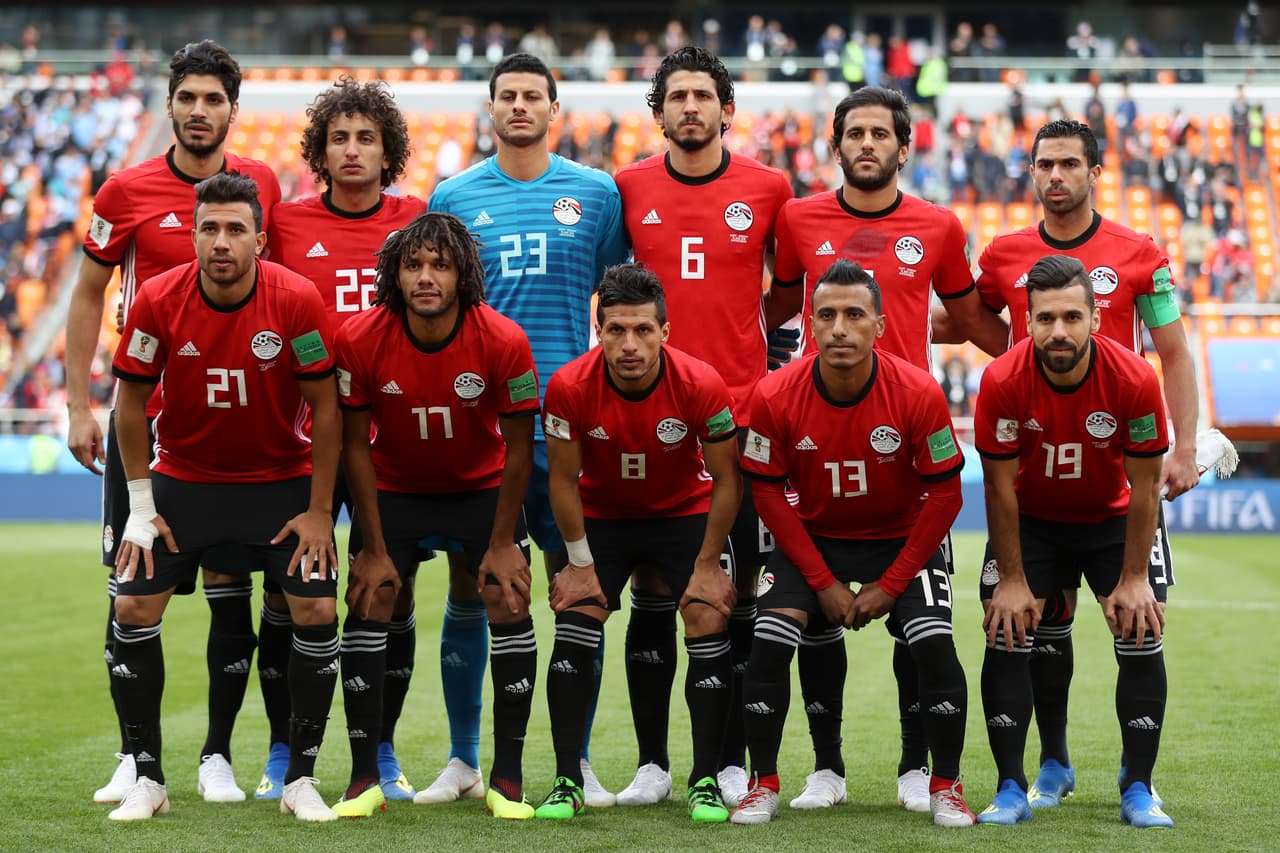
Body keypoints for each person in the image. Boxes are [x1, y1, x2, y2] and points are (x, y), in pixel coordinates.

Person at [938, 119, 1199, 809]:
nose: (1055, 176)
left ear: (1094, 171)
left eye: (1068, 164)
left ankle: (1138, 784)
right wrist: (877, 314)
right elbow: (966, 322)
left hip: (1118, 479)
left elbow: (1174, 350)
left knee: (1140, 622)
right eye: (1043, 164)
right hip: (1037, 490)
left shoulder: (1140, 254)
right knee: (1026, 624)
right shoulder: (1003, 256)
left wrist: (1188, 444)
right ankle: (1046, 765)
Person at [771, 84, 1004, 813]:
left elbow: (970, 321)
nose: (867, 144)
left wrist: (1042, 361)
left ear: (905, 148)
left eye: (881, 134)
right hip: (817, 434)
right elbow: (771, 309)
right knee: (811, 619)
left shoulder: (937, 225)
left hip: (906, 439)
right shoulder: (799, 217)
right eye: (855, 133)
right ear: (834, 145)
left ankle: (915, 768)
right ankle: (826, 769)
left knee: (917, 622)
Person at [65, 39, 283, 807]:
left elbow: (277, 291)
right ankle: (135, 755)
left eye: (213, 99)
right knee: (130, 586)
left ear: (232, 108)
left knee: (231, 581)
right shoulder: (124, 190)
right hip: (146, 419)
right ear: (170, 105)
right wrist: (78, 401)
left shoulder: (261, 186)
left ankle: (216, 754)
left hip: (235, 420)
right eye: (187, 97)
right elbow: (88, 295)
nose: (199, 111)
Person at [427, 52, 629, 807]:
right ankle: (462, 757)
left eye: (531, 96)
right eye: (506, 95)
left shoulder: (596, 193)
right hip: (481, 429)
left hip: (570, 427)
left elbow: (613, 305)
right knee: (472, 582)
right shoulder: (453, 196)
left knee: (577, 587)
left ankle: (574, 761)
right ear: (490, 108)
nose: (518, 106)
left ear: (554, 107)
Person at [108, 171, 341, 822]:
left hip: (280, 483)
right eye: (208, 227)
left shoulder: (296, 299)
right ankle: (147, 775)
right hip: (184, 481)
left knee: (317, 607)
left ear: (260, 240)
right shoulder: (158, 299)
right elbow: (128, 406)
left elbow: (327, 409)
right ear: (193, 235)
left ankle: (300, 776)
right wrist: (140, 506)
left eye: (236, 228)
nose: (220, 240)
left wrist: (321, 510)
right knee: (132, 606)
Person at [613, 45, 794, 810]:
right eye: (676, 96)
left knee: (738, 589)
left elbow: (787, 287)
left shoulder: (770, 186)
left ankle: (725, 759)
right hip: (651, 421)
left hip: (743, 416)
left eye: (703, 94)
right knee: (656, 588)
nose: (690, 106)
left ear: (727, 109)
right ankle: (654, 761)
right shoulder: (625, 188)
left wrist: (749, 337)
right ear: (658, 113)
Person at [731, 260, 974, 827]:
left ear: (880, 326)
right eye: (827, 315)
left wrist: (891, 586)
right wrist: (821, 582)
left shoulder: (917, 392)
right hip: (814, 538)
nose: (840, 327)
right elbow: (766, 492)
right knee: (767, 640)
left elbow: (945, 495)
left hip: (900, 539)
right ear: (811, 326)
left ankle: (943, 783)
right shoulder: (775, 394)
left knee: (933, 642)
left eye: (854, 315)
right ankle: (763, 782)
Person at [333, 211, 540, 819]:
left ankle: (505, 779)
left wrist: (503, 542)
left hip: (478, 492)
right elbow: (353, 446)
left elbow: (521, 449)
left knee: (507, 595)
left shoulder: (502, 338)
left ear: (463, 276)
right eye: (414, 265)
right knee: (371, 596)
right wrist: (370, 545)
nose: (426, 277)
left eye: (440, 266)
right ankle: (364, 777)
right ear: (394, 275)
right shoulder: (359, 338)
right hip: (396, 491)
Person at [265, 76, 427, 804]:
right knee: (288, 595)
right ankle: (281, 750)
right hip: (299, 440)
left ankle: (381, 747)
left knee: (385, 590)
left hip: (390, 443)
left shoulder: (418, 221)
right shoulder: (289, 224)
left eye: (368, 137)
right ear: (320, 152)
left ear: (388, 149)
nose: (354, 149)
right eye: (340, 138)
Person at [536, 264, 741, 823]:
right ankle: (566, 780)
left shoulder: (701, 383)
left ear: (664, 332)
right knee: (576, 615)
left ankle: (704, 780)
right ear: (597, 331)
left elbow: (728, 480)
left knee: (706, 613)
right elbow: (560, 481)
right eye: (616, 330)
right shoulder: (568, 387)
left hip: (683, 515)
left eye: (643, 330)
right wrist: (578, 564)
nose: (629, 344)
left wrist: (706, 564)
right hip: (604, 517)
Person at [974, 254, 1172, 829]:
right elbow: (1000, 487)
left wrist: (1134, 579)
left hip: (1112, 520)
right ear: (1028, 320)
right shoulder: (1002, 380)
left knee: (1141, 627)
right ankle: (1016, 783)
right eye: (1045, 319)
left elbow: (1146, 486)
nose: (1058, 331)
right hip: (1032, 520)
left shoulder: (1134, 377)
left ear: (1094, 319)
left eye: (1071, 317)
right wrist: (1011, 580)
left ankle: (1138, 784)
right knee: (1007, 629)